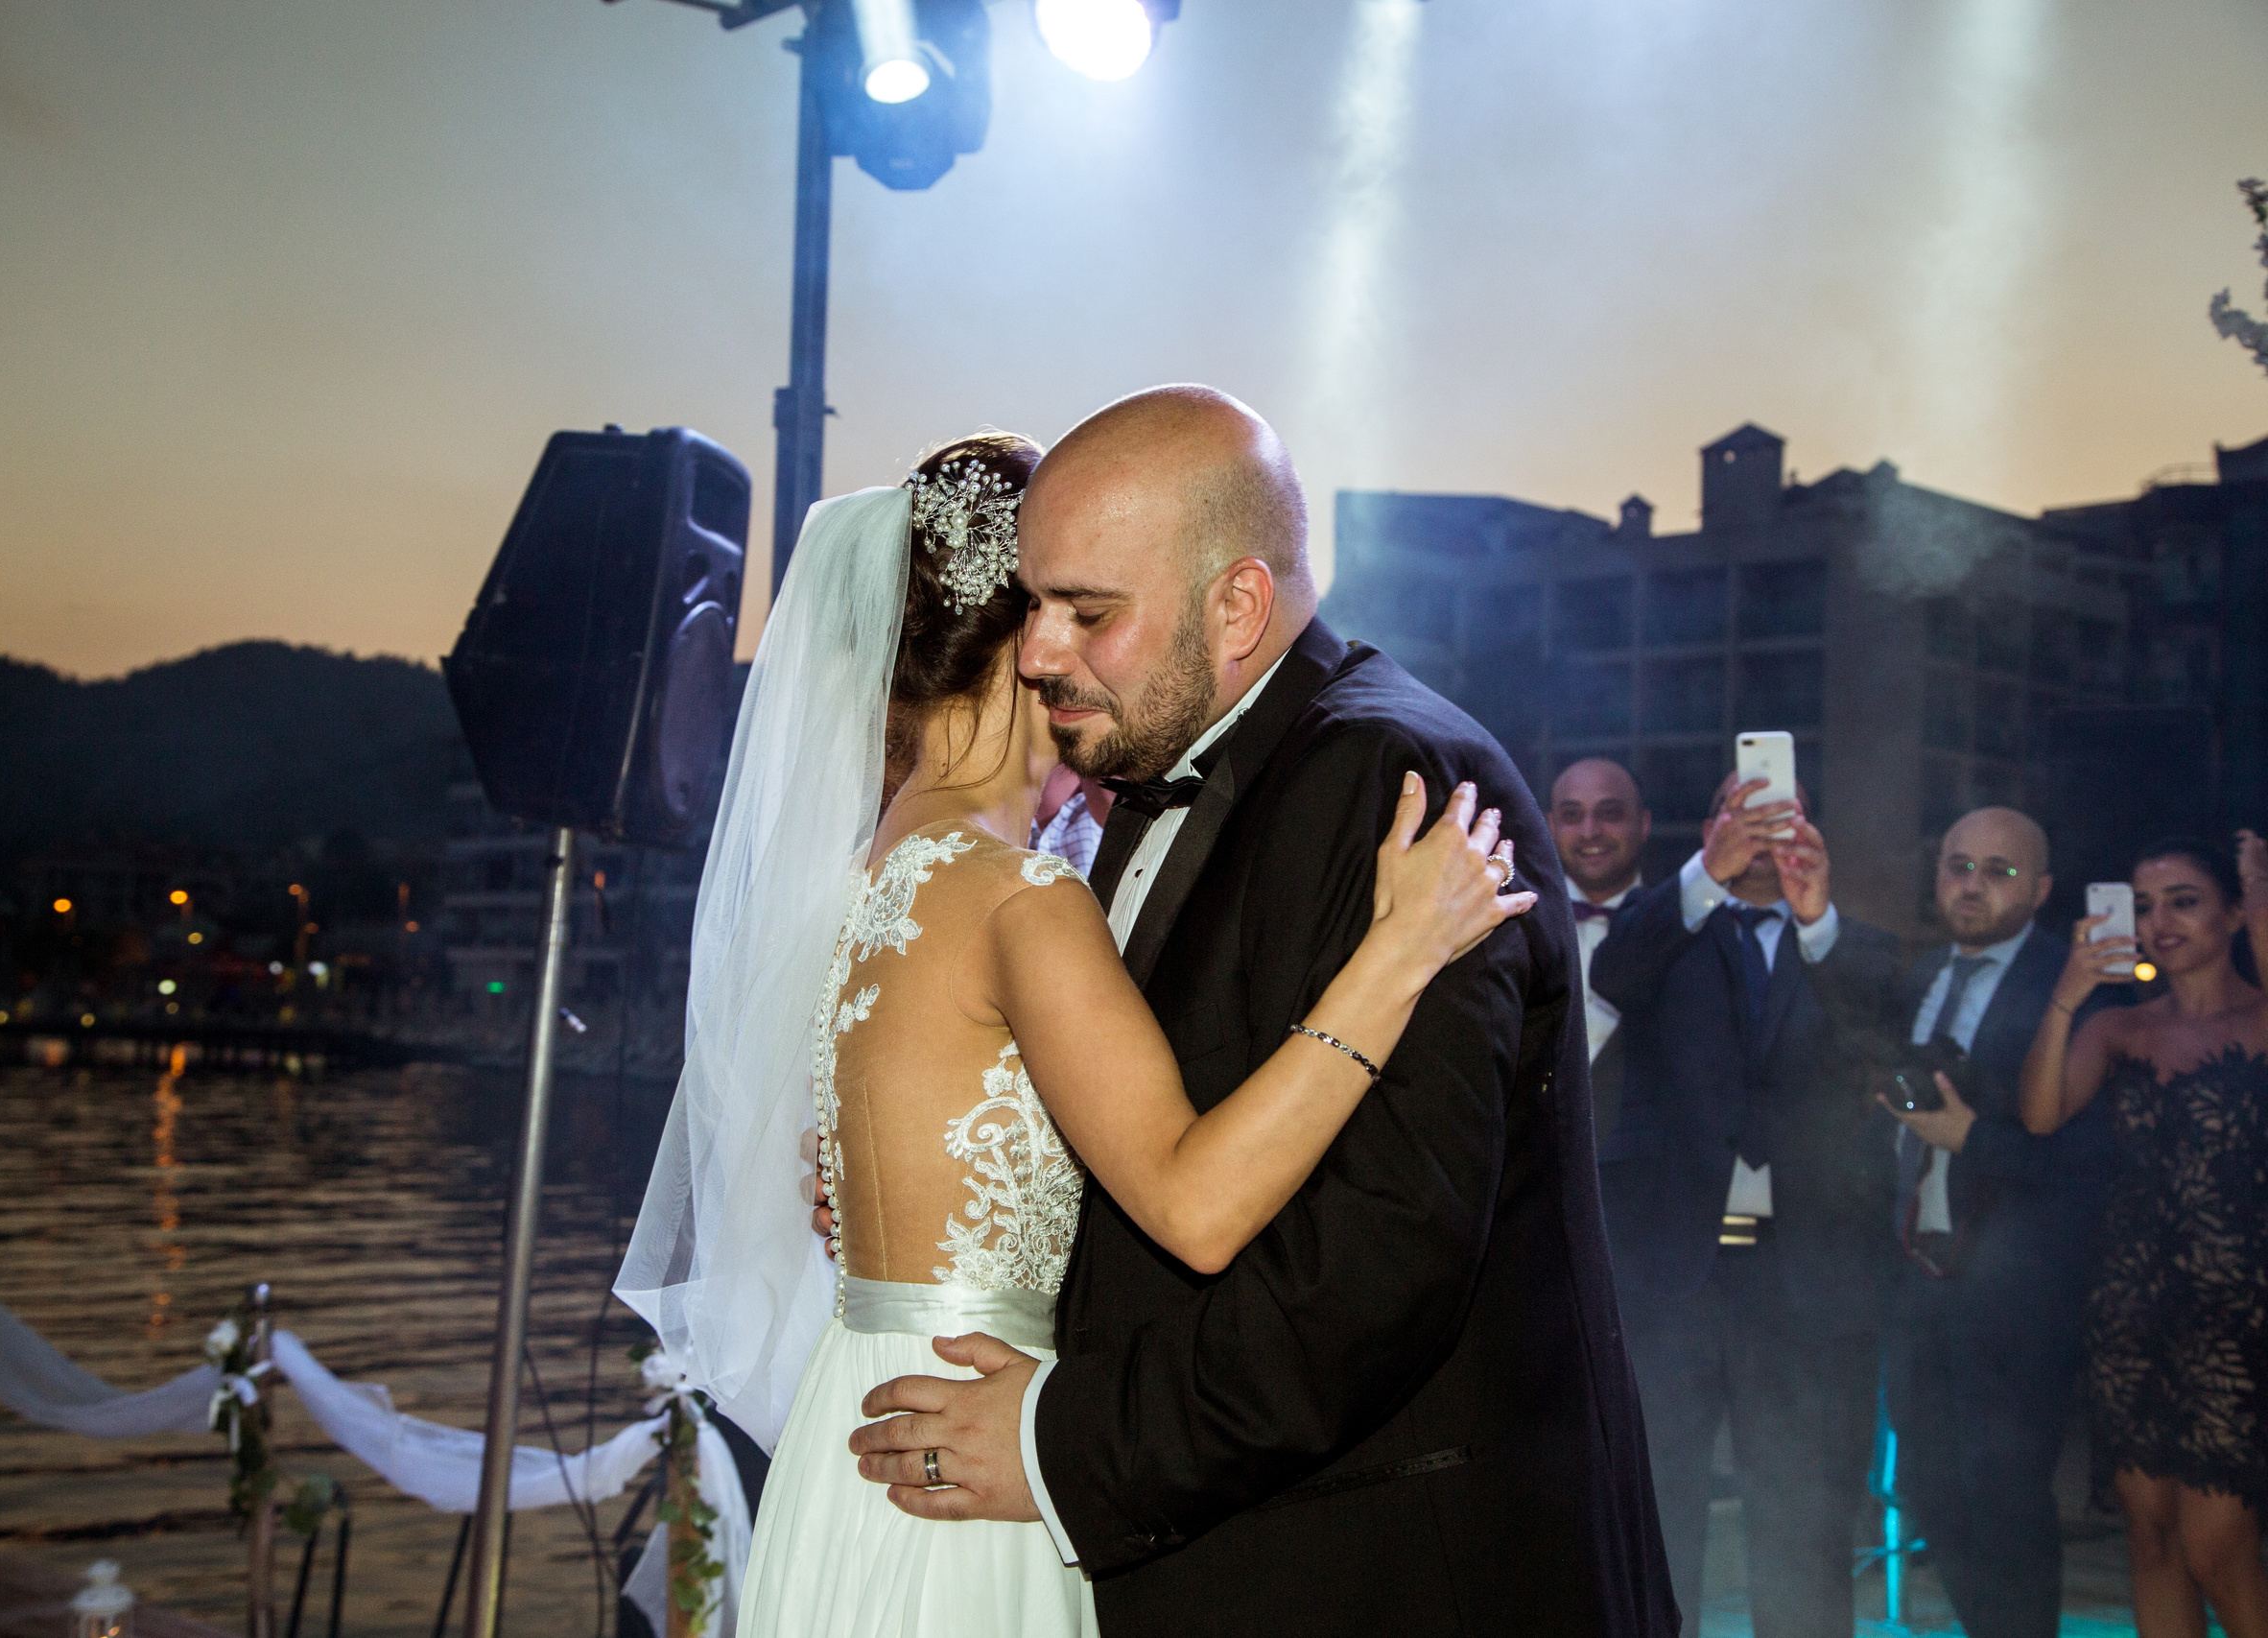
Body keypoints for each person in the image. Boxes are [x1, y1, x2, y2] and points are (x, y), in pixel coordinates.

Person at [618, 431, 1537, 1638]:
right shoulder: (1019, 897)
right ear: (1015, 650)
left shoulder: (862, 879)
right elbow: (1193, 1207)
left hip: (862, 1440)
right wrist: (1394, 959)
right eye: (1059, 617)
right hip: (976, 1456)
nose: (1072, 660)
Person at [842, 387, 1676, 1637]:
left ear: (1237, 604)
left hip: (1386, 1578)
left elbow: (1373, 1267)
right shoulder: (1133, 783)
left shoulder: (1388, 781)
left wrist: (1061, 1448)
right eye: (1032, 605)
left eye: (1089, 612)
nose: (1035, 653)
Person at [1592, 772, 1902, 1638]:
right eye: (1743, 813)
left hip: (1807, 1284)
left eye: (1785, 814)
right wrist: (1703, 872)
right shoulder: (1670, 929)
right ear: (1711, 826)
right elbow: (1613, 972)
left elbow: (1880, 1032)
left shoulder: (1853, 947)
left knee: (1804, 1520)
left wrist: (1817, 917)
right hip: (1677, 1278)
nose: (1764, 834)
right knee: (1662, 1513)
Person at [1806, 806, 2112, 1638]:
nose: (1971, 884)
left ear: (2043, 888)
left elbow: (2092, 1166)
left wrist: (1970, 1137)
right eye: (1957, 864)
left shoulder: (2073, 987)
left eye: (1998, 870)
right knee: (1939, 1499)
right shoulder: (1926, 972)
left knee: (2008, 1514)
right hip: (1916, 1283)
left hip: (2018, 1294)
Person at [2019, 831, 2268, 1638]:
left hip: (2238, 1318)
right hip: (2129, 1310)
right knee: (2152, 1538)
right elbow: (2040, 1113)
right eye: (2147, 904)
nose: (2161, 922)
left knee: (2217, 1546)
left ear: (2234, 911)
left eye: (2185, 902)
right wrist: (2070, 990)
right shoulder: (2117, 1026)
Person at [1550, 756, 1652, 1150]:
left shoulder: (1685, 928)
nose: (1590, 831)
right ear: (1549, 827)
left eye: (1609, 813)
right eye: (1572, 815)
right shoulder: (1511, 922)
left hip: (1647, 1181)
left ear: (1643, 825)